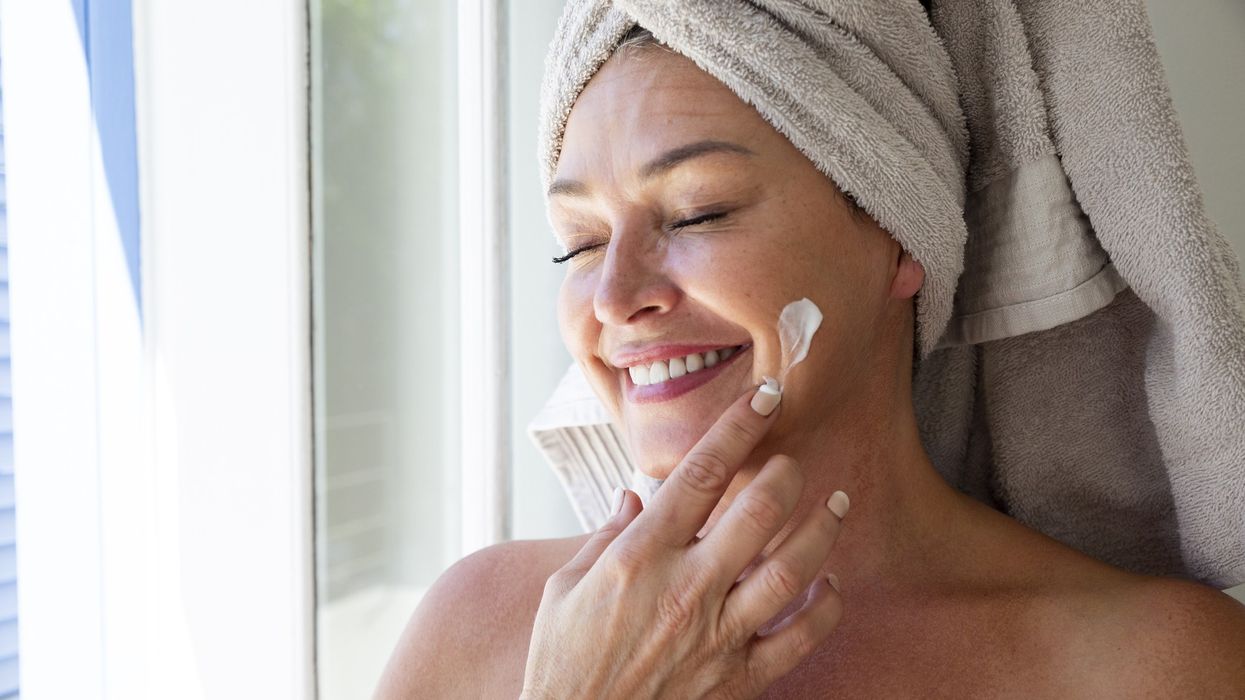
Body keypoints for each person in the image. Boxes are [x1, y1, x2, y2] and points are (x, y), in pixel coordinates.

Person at [374, 19, 1245, 700]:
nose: (612, 298)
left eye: (697, 212)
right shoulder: (480, 630)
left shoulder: (1157, 668)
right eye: (580, 242)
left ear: (901, 236)